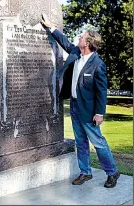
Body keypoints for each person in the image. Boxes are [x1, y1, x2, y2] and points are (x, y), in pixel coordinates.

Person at [41, 13, 120, 188]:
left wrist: (100, 113)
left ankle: (112, 172)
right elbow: (65, 42)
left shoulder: (98, 65)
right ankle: (85, 172)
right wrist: (50, 27)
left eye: (82, 37)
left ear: (88, 43)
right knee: (80, 142)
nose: (79, 38)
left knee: (98, 142)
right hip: (75, 107)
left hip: (90, 111)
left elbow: (101, 91)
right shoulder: (76, 52)